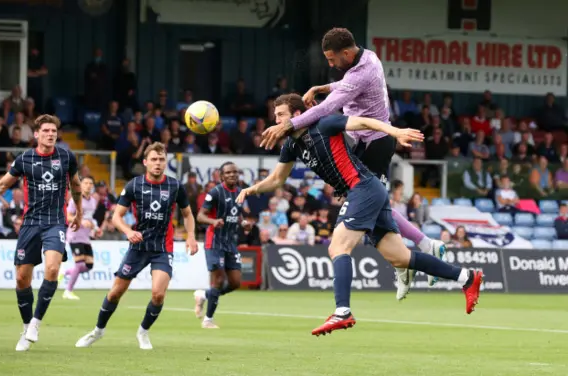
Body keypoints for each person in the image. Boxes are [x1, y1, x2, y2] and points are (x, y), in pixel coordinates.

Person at [238, 94, 482, 336]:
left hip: (362, 188)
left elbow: (364, 122)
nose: (276, 119)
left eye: (280, 114)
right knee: (400, 258)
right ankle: (466, 277)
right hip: (368, 192)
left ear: (298, 115)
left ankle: (342, 311)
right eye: (275, 114)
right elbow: (277, 179)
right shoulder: (291, 145)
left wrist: (394, 132)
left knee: (338, 248)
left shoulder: (324, 124)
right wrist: (252, 189)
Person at [260, 28, 447, 287]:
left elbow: (327, 107)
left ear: (346, 52)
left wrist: (287, 125)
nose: (330, 63)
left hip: (376, 141)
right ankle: (413, 254)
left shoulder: (363, 71)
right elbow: (343, 87)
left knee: (370, 199)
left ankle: (419, 250)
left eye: (332, 58)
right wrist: (321, 86)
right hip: (362, 141)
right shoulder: (366, 58)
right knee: (373, 203)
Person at [0, 114, 82, 352]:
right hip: (30, 223)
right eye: (46, 131)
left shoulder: (66, 157)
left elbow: (76, 184)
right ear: (36, 134)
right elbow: (1, 186)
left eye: (54, 131)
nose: (50, 134)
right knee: (22, 278)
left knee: (52, 268)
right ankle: (25, 325)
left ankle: (36, 323)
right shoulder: (25, 159)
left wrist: (79, 212)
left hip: (56, 222)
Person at [75, 142, 198, 350]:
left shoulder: (175, 186)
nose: (158, 163)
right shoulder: (134, 185)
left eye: (161, 160)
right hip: (138, 247)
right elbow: (116, 216)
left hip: (162, 248)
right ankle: (98, 330)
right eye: (154, 160)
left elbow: (187, 214)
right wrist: (128, 231)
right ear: (145, 162)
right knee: (115, 293)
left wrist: (191, 236)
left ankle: (143, 331)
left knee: (158, 294)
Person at [193, 162, 245, 328]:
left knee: (235, 283)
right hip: (214, 241)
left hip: (230, 242)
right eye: (228, 172)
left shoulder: (240, 192)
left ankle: (203, 295)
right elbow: (200, 216)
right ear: (222, 176)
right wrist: (213, 221)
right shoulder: (215, 192)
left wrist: (244, 224)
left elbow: (237, 214)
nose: (232, 175)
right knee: (218, 280)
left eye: (235, 172)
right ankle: (208, 319)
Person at [59, 175, 100, 300]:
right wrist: (81, 222)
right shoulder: (75, 200)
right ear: (81, 185)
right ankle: (68, 291)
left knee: (88, 266)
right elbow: (68, 216)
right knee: (79, 264)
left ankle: (64, 273)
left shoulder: (93, 201)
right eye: (86, 183)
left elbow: (89, 218)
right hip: (74, 235)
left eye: (90, 183)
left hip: (86, 237)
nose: (88, 185)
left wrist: (95, 228)